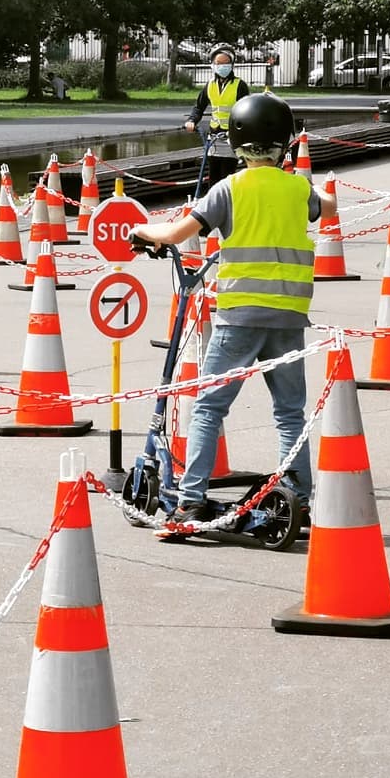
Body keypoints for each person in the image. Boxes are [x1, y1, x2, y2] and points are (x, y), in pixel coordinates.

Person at [131, 92, 335, 526]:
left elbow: (174, 233)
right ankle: (297, 498)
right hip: (288, 318)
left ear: (238, 144)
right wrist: (317, 193)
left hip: (239, 316)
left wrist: (139, 229)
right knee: (289, 412)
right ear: (284, 143)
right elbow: (326, 207)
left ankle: (190, 499)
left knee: (209, 407)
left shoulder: (230, 188)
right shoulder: (298, 188)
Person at [185, 46, 251, 187]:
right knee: (213, 176)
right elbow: (199, 107)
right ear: (213, 65)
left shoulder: (240, 86)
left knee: (226, 175)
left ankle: (227, 205)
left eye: (226, 63)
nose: (222, 67)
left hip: (231, 136)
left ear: (232, 65)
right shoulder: (209, 85)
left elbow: (247, 111)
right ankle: (214, 205)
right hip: (214, 137)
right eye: (218, 63)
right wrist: (191, 120)